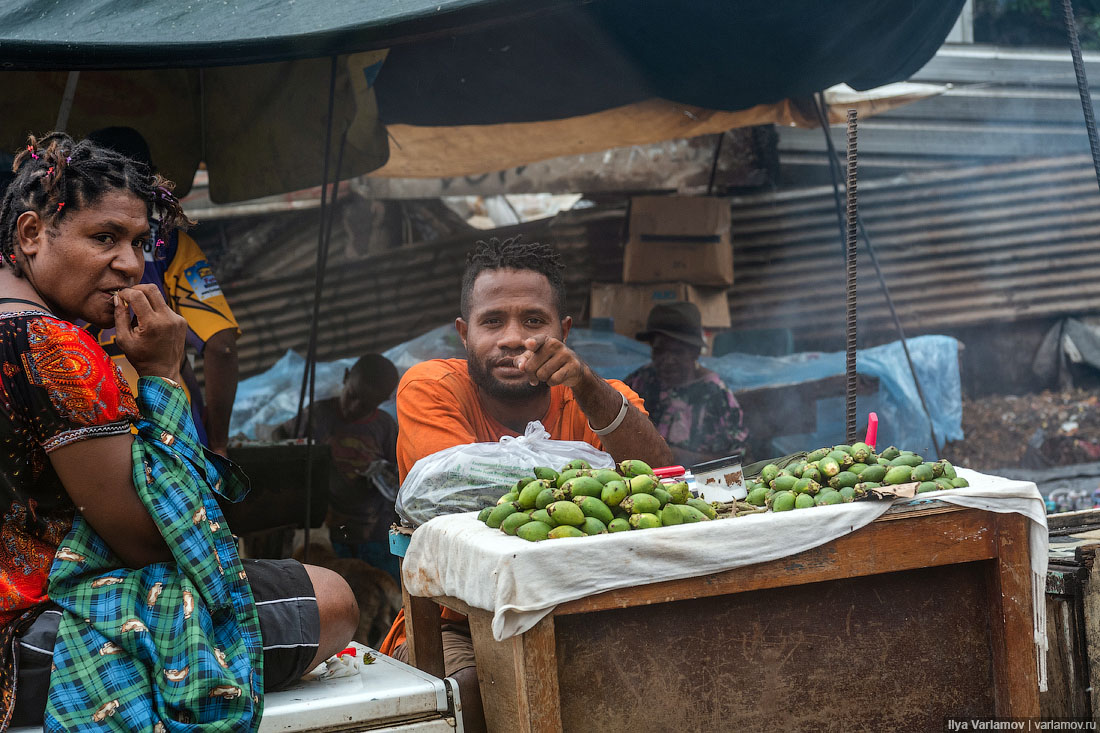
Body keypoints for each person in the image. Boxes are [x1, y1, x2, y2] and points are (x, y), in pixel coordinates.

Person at [0, 133, 358, 728]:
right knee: (333, 600)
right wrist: (163, 374)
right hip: (32, 631)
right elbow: (147, 540)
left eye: (140, 242)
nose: (131, 264)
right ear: (32, 233)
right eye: (104, 237)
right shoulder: (49, 343)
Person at [378, 235, 672, 733]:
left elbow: (661, 481)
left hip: (588, 607)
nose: (513, 338)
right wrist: (598, 485)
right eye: (492, 321)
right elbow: (452, 490)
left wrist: (587, 389)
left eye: (534, 321)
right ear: (463, 333)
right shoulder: (431, 387)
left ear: (564, 330)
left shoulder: (604, 400)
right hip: (460, 620)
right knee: (479, 691)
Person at [80, 127, 241, 456]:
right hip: (172, 430)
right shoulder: (172, 244)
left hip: (90, 429)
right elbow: (221, 347)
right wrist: (219, 442)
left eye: (136, 245)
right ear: (149, 181)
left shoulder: (60, 245)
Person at [273, 354, 401, 581]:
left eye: (367, 404)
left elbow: (398, 475)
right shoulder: (318, 415)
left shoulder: (385, 427)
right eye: (352, 396)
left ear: (385, 399)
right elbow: (280, 434)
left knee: (383, 588)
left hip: (376, 532)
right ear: (345, 377)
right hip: (331, 531)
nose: (354, 407)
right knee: (340, 590)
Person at [624, 301, 749, 466]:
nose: (668, 360)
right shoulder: (639, 382)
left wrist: (670, 455)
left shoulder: (715, 393)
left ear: (695, 352)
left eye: (677, 352)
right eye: (660, 350)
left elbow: (740, 459)